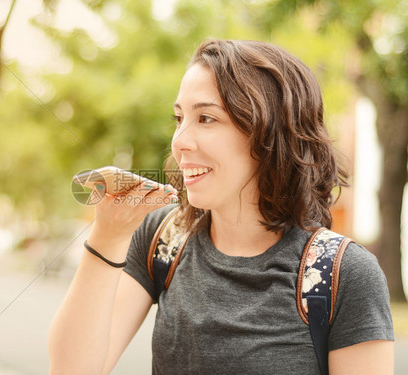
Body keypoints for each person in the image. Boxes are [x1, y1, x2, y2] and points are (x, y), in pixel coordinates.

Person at [48, 39, 394, 375]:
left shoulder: (344, 275)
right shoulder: (162, 240)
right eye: (179, 118)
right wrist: (107, 237)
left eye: (206, 119)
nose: (179, 141)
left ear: (269, 134)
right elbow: (71, 370)